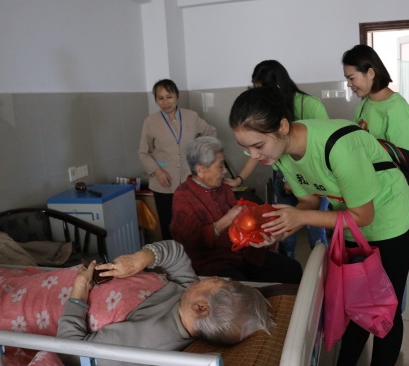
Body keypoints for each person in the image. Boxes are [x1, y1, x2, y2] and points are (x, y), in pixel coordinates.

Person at [228, 86, 409, 366]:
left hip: (388, 220)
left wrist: (301, 218)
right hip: (351, 224)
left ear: (282, 126)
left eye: (258, 146)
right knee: (358, 305)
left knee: (386, 310)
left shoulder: (337, 146)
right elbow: (309, 203)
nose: (253, 156)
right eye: (246, 149)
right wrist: (278, 227)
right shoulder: (282, 155)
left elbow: (364, 215)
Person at [57, 240, 274, 365]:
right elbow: (176, 253)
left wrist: (79, 290)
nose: (207, 277)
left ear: (201, 307)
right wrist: (141, 258)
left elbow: (72, 352)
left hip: (60, 299)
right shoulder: (186, 293)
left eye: (214, 281)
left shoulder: (150, 338)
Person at [225, 60, 329, 259]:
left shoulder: (309, 106)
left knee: (316, 230)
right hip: (287, 179)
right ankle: (288, 268)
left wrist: (298, 181)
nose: (260, 97)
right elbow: (258, 152)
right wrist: (239, 179)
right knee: (282, 227)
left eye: (263, 89)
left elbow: (320, 154)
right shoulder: (271, 152)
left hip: (315, 178)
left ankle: (324, 272)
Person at [343, 44, 409, 313]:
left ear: (370, 72)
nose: (349, 84)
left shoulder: (397, 110)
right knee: (369, 294)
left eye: (352, 78)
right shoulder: (364, 104)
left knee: (390, 298)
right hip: (369, 206)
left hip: (390, 210)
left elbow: (403, 166)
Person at [169, 136, 303, 284]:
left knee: (292, 269)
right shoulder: (183, 195)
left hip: (244, 255)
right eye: (220, 166)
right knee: (237, 288)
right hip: (214, 263)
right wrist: (227, 219)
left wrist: (262, 231)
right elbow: (191, 241)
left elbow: (241, 224)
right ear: (201, 170)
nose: (225, 171)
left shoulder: (222, 187)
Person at [139, 79, 217, 240]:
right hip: (164, 183)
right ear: (155, 99)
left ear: (177, 96)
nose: (165, 102)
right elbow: (143, 152)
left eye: (169, 97)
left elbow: (210, 132)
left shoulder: (191, 116)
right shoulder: (150, 122)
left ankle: (194, 259)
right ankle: (173, 262)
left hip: (190, 181)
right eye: (160, 98)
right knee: (169, 224)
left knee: (193, 222)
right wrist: (157, 171)